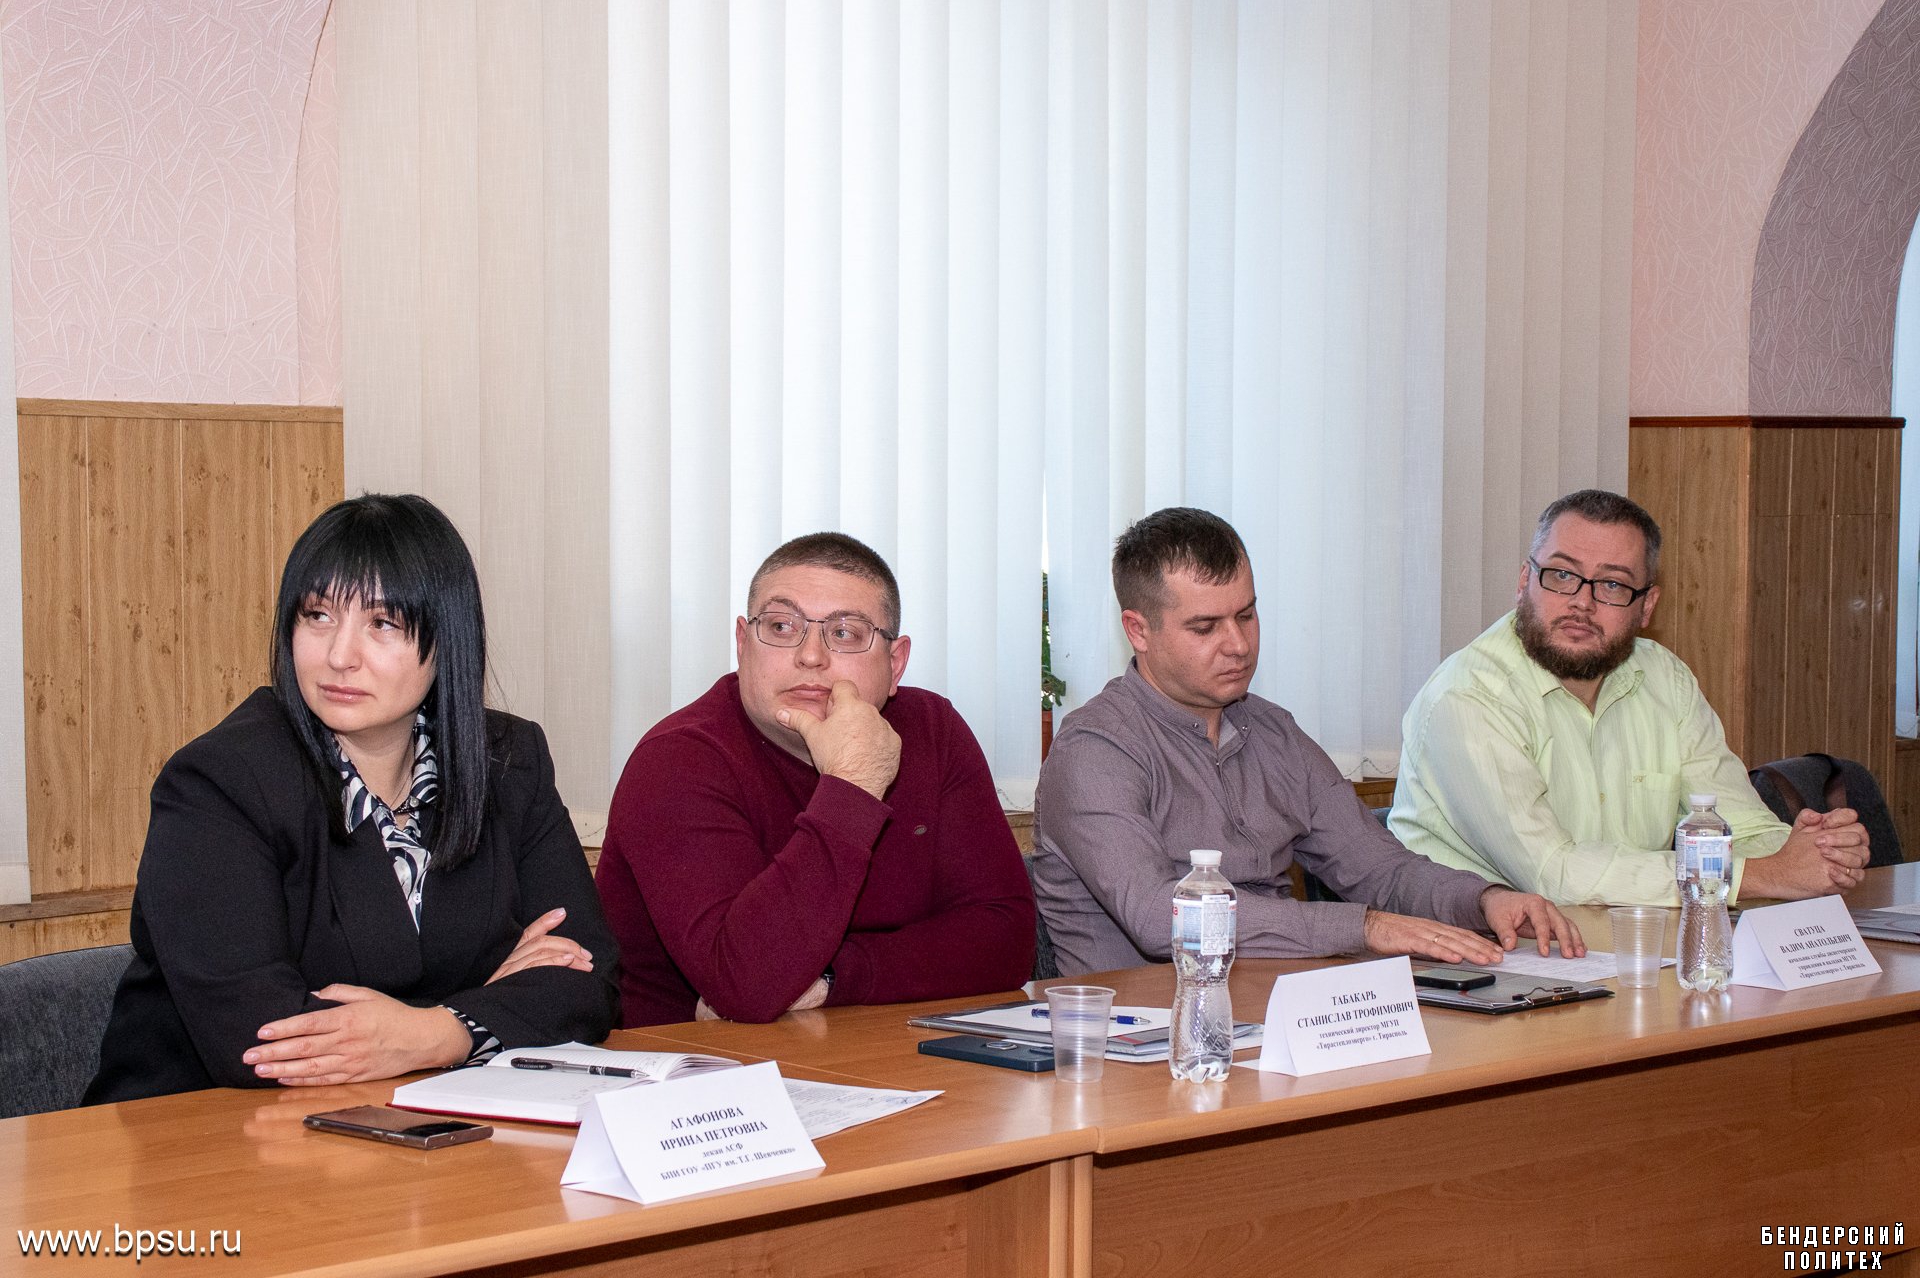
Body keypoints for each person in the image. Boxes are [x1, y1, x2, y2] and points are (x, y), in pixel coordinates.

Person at [86, 495, 620, 1103]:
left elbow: (590, 977)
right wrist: (486, 1011)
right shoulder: (218, 783)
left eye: (382, 624)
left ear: (448, 640)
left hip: (414, 1125)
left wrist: (432, 1032)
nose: (339, 656)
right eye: (317, 616)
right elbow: (259, 1039)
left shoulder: (508, 762)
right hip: (197, 1134)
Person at [1032, 507, 1582, 977]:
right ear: (1138, 631)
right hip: (1142, 1036)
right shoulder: (1095, 751)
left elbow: (1381, 870)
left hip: (1287, 1015)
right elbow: (1162, 918)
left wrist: (1484, 900)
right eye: (1205, 628)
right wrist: (1364, 927)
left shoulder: (1274, 732)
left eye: (1246, 615)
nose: (1238, 644)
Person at [596, 532, 1035, 1027]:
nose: (810, 656)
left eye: (845, 633)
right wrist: (854, 784)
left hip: (883, 1044)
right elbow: (746, 984)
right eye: (782, 626)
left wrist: (831, 979)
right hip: (698, 1061)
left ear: (895, 664)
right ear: (742, 645)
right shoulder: (677, 758)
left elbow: (1008, 939)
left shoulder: (933, 730)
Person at [1391, 488, 1871, 906]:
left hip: (1626, 943)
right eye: (1561, 575)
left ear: (1647, 607)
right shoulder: (1468, 697)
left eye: (1612, 584)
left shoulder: (1664, 677)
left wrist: (1814, 853)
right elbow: (1552, 874)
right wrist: (1761, 875)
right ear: (1523, 582)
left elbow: (1739, 827)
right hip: (1479, 957)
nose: (1581, 602)